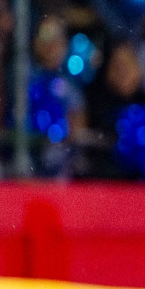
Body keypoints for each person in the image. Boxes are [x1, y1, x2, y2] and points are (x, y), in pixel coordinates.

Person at [82, 38, 145, 181]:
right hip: (111, 185)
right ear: (106, 72)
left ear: (139, 68)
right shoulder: (94, 109)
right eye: (117, 67)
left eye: (127, 65)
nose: (123, 73)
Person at [27, 15, 85, 176]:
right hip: (23, 166)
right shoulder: (21, 78)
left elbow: (78, 126)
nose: (51, 45)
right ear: (35, 42)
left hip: (60, 169)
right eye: (45, 36)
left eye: (57, 37)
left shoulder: (71, 84)